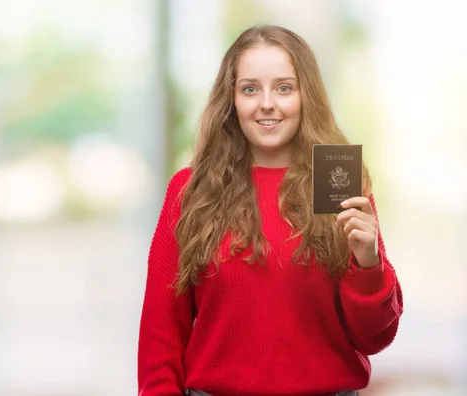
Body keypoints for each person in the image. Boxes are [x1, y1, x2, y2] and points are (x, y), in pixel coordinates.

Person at [137, 25, 403, 396]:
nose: (267, 103)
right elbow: (160, 337)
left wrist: (369, 264)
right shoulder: (191, 191)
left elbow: (374, 337)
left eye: (283, 87)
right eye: (250, 88)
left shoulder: (339, 181)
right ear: (231, 99)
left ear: (305, 95)